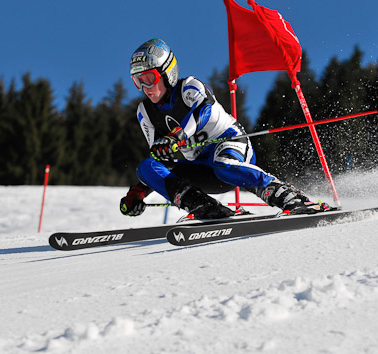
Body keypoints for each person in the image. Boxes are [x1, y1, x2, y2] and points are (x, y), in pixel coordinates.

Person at [120, 38, 330, 219]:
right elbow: (163, 159)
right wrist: (138, 192)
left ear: (168, 73)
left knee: (223, 164)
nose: (145, 88)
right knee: (145, 167)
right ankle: (204, 207)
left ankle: (290, 197)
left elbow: (204, 110)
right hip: (204, 169)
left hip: (231, 145)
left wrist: (178, 136)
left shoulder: (189, 87)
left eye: (149, 79)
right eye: (138, 82)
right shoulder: (145, 112)